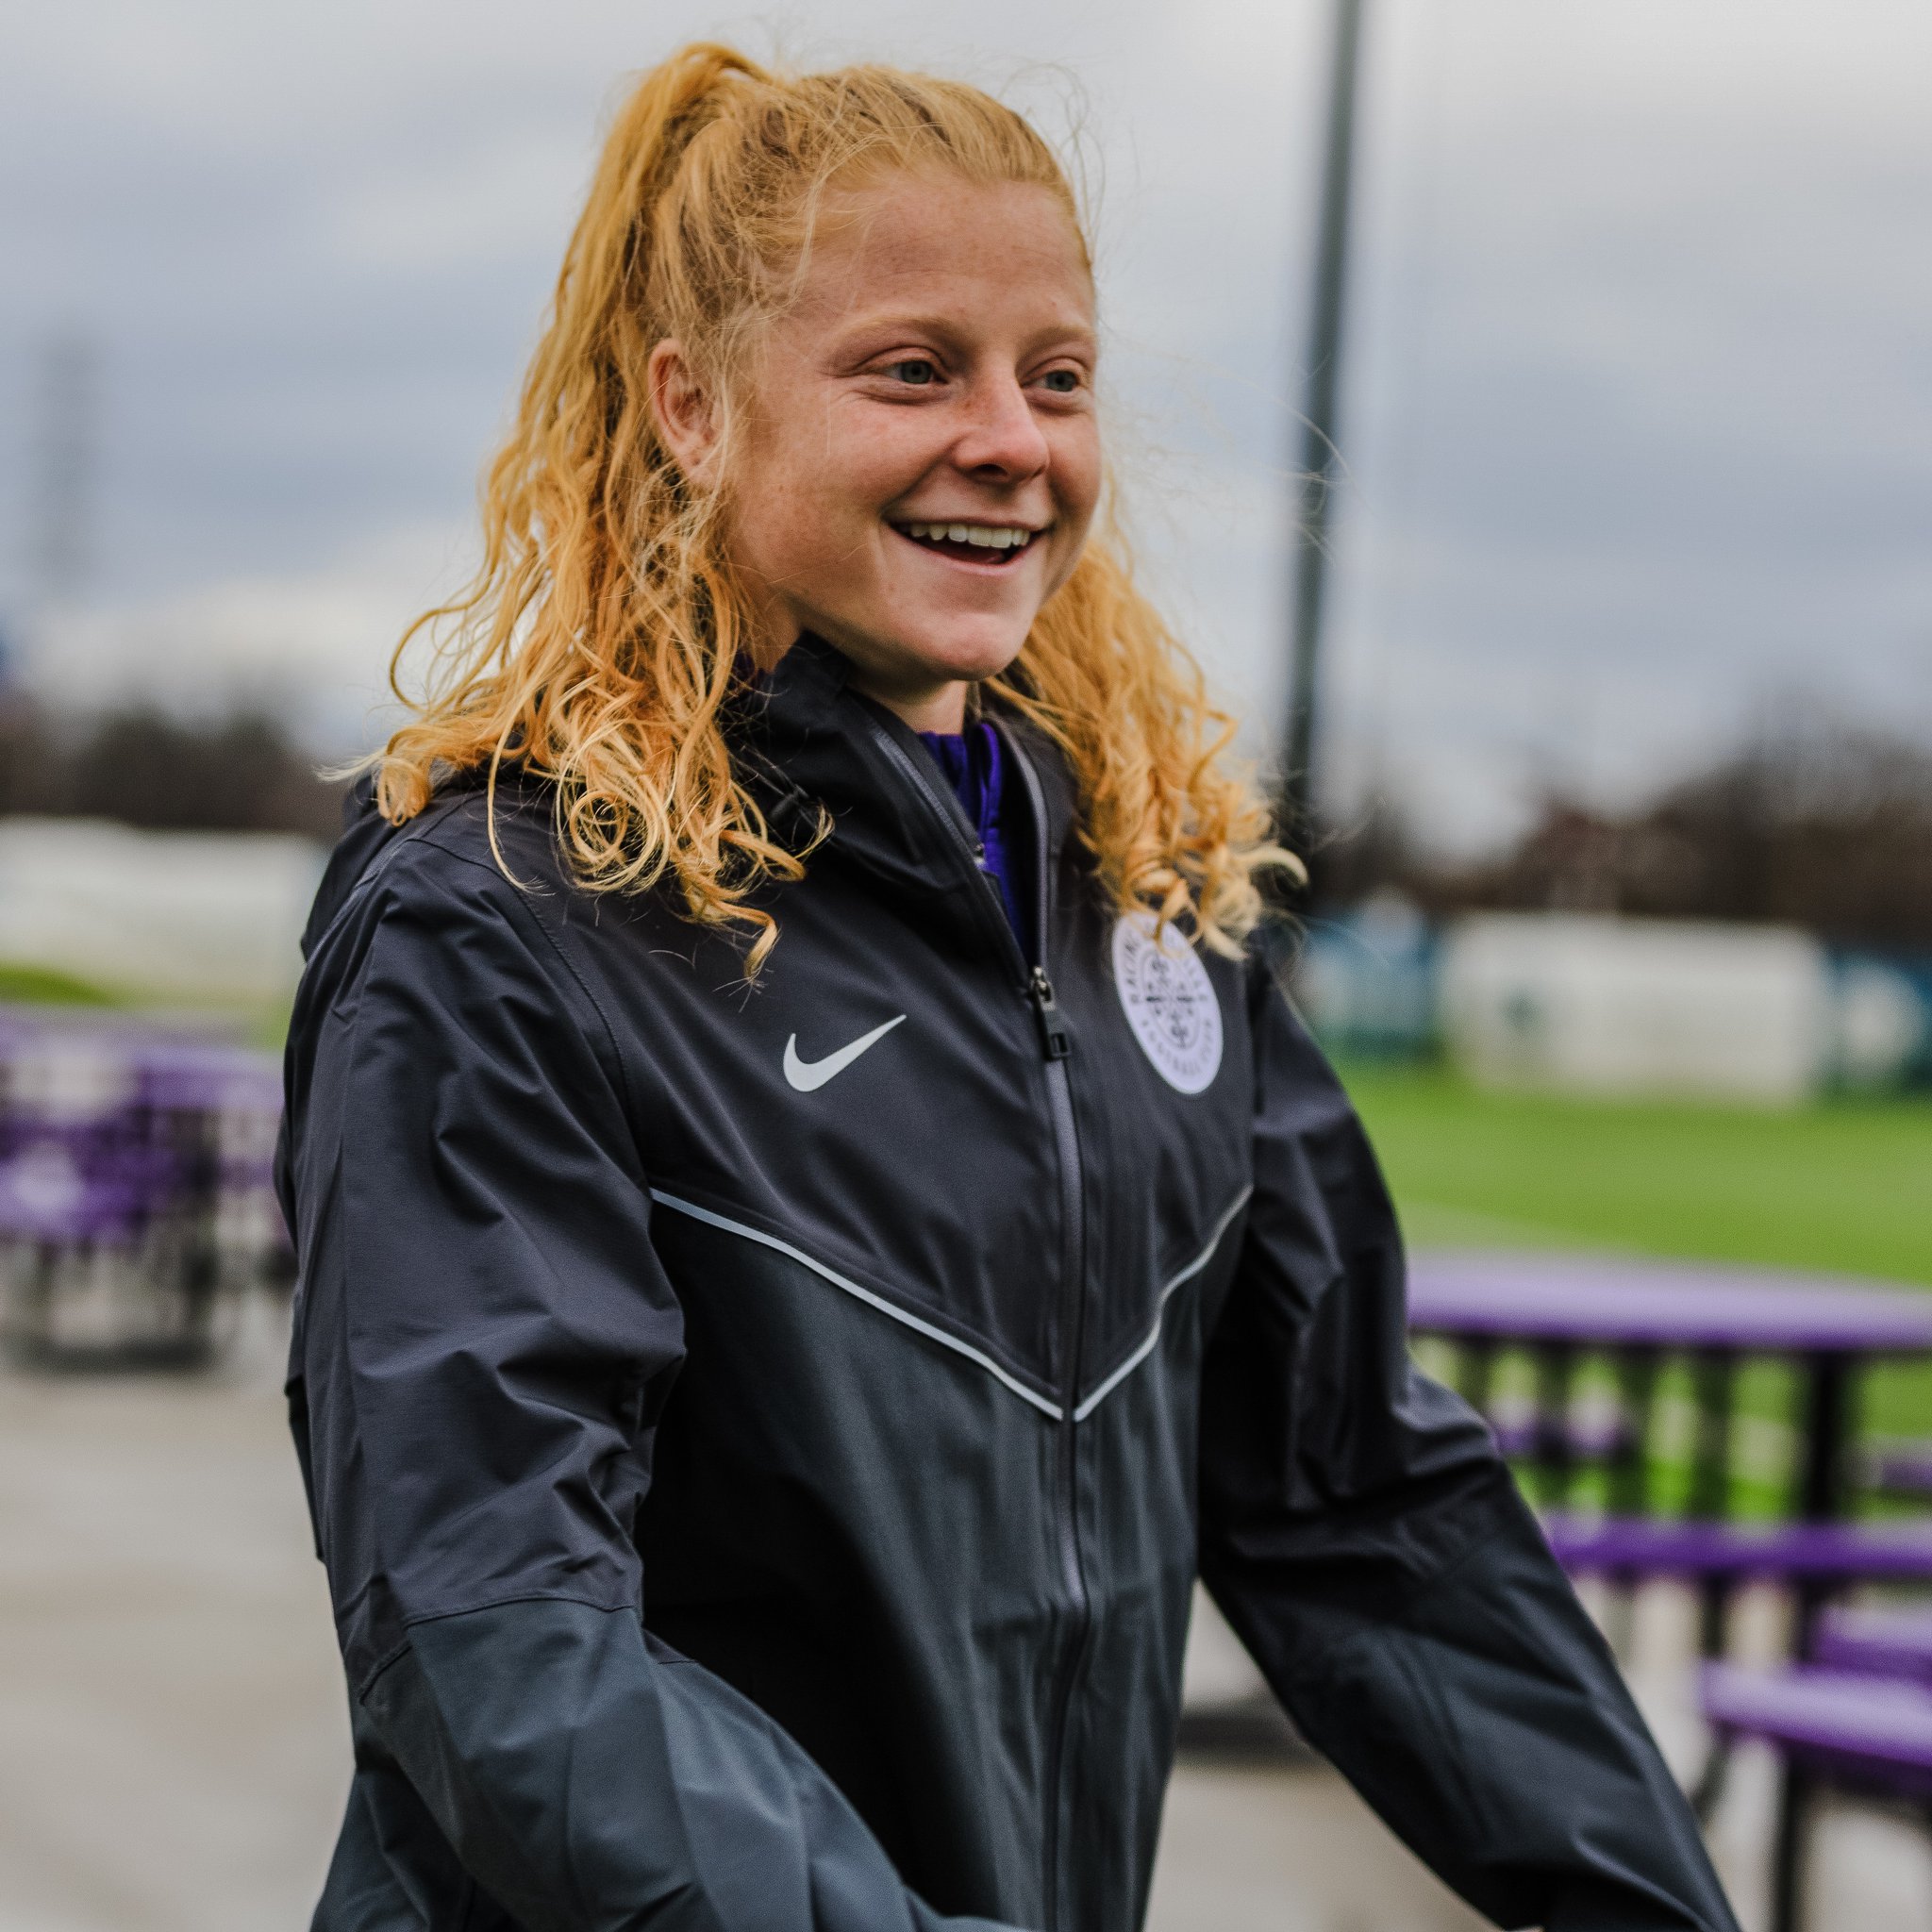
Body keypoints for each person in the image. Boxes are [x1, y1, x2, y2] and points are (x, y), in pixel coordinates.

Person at [277, 42, 1739, 1932]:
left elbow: (1365, 1506)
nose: (1013, 440)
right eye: (913, 368)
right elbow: (497, 1655)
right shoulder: (494, 919)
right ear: (691, 410)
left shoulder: (1150, 914)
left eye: (1056, 379)